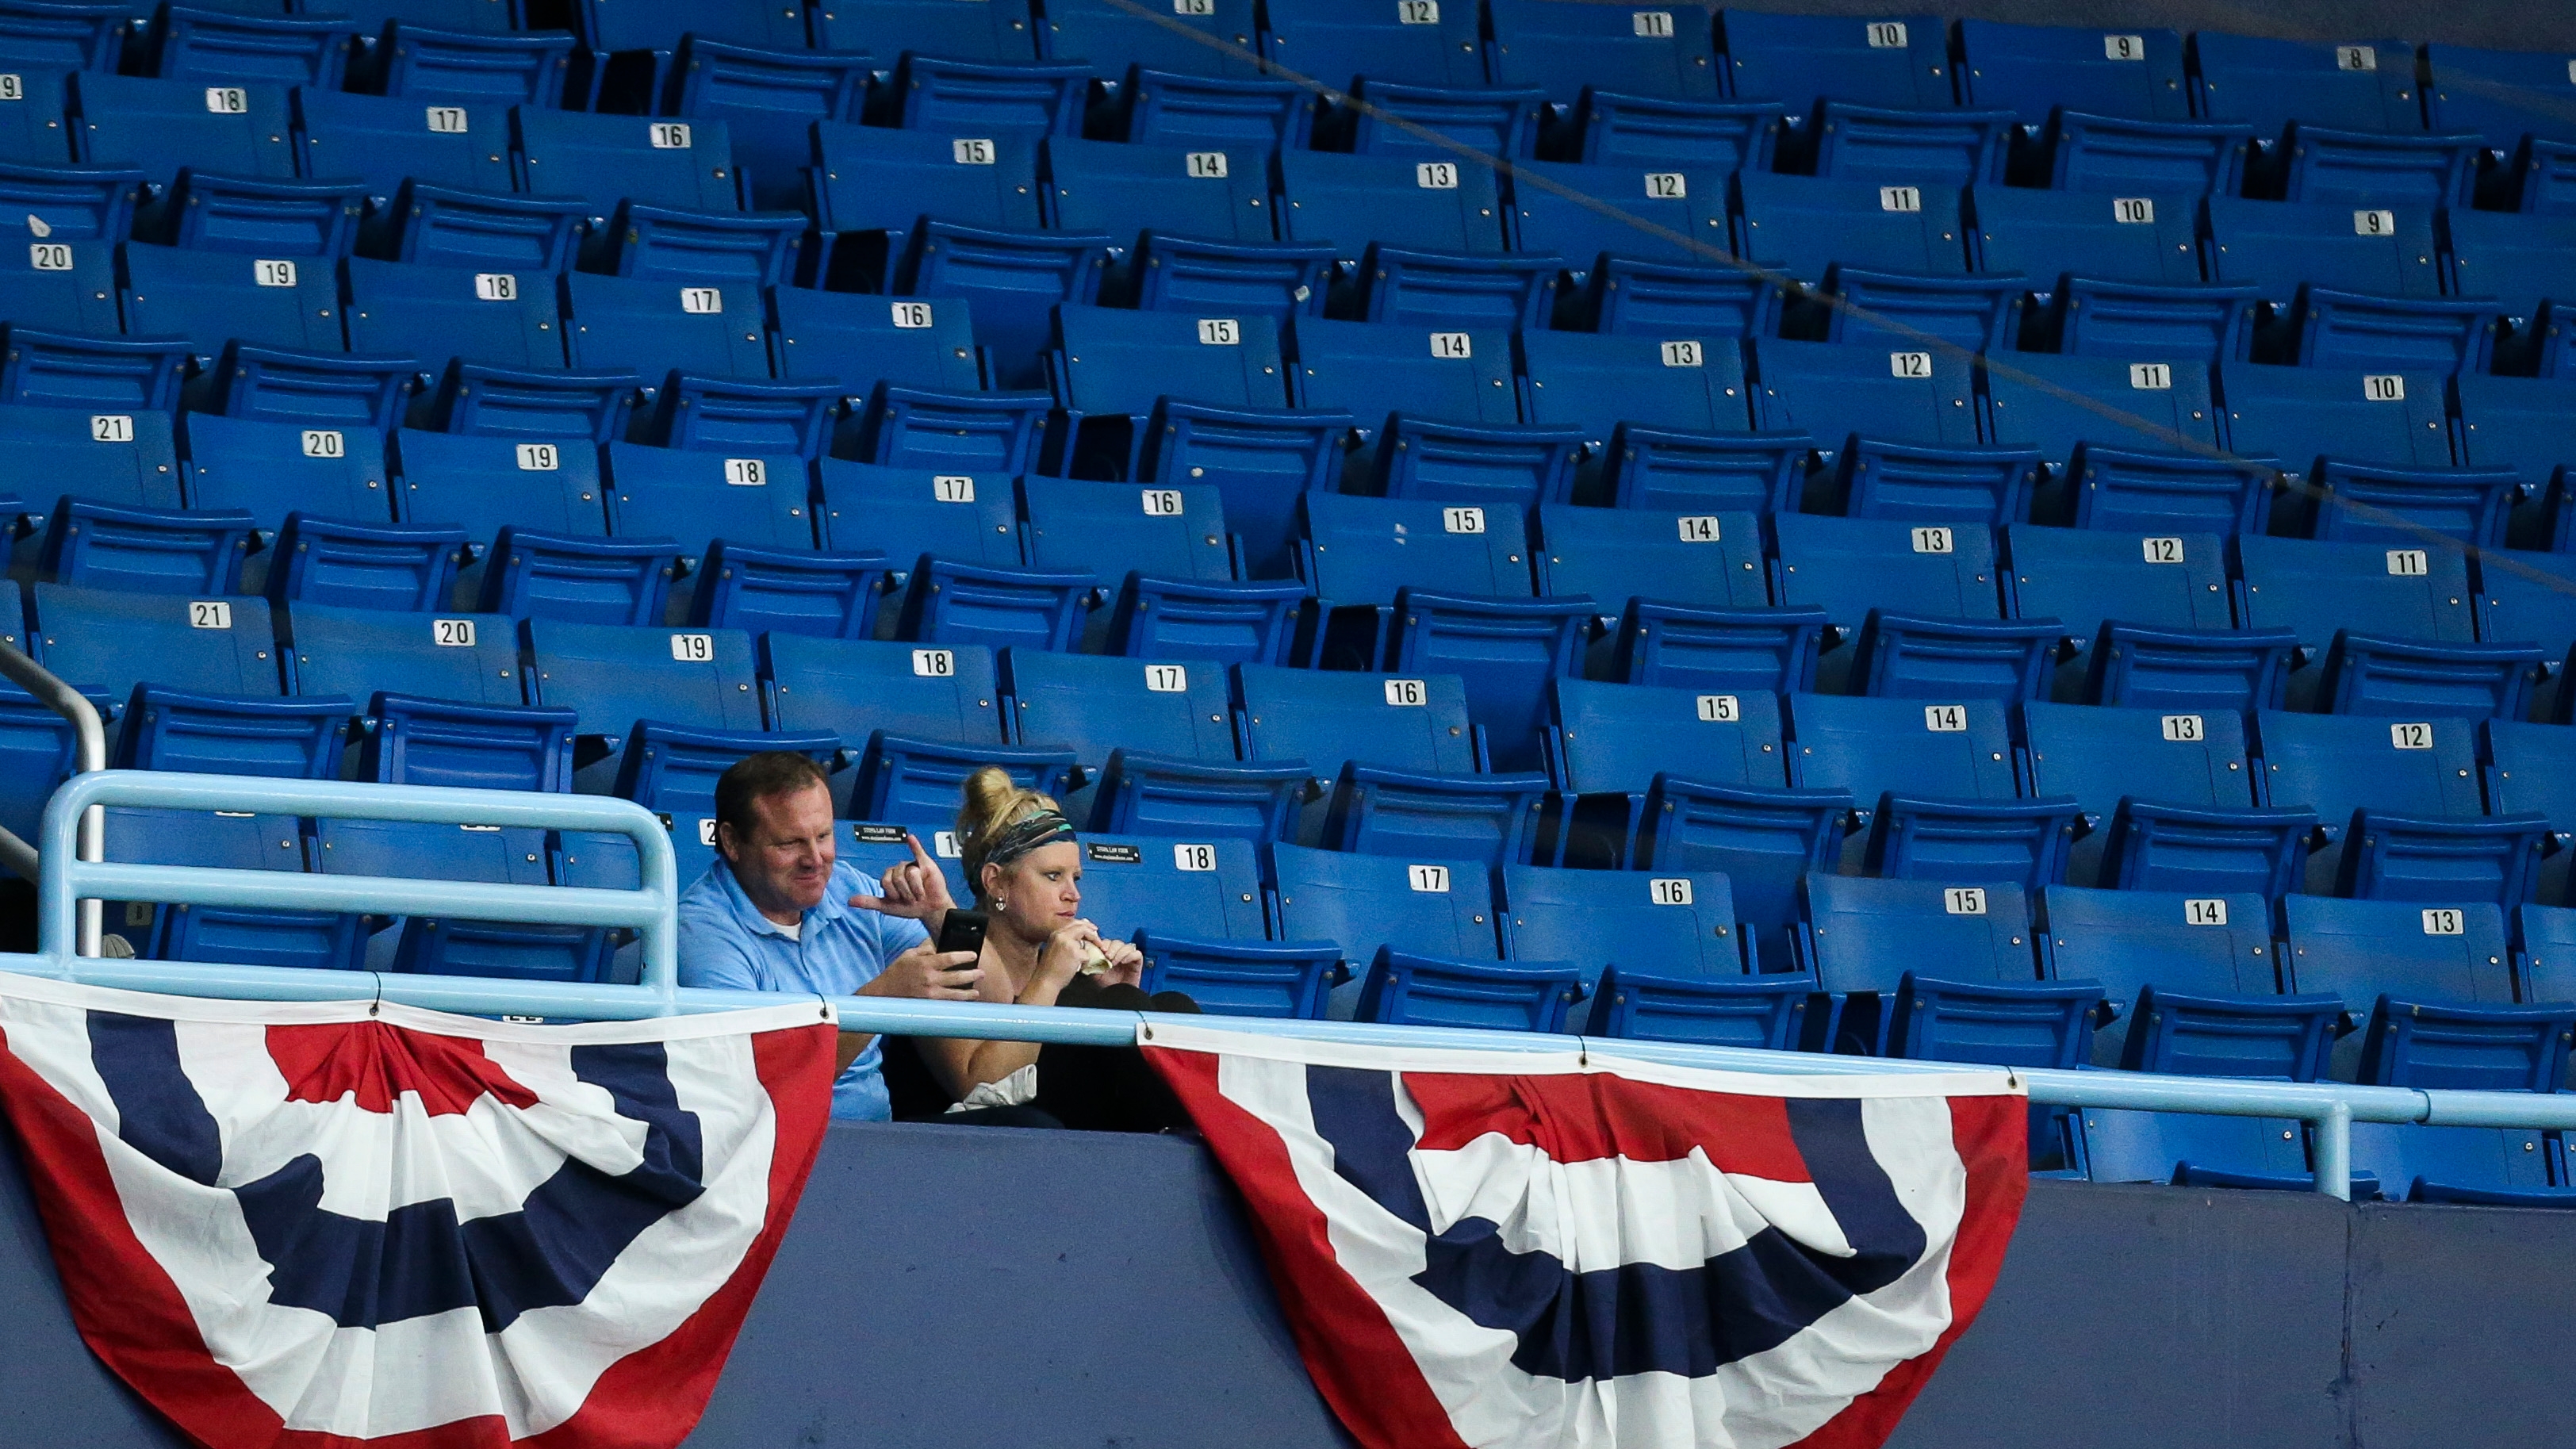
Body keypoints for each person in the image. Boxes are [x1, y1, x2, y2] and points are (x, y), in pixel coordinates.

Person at [677, 751, 988, 1123]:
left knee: (1026, 1129)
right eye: (788, 843)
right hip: (772, 1150)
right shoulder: (702, 933)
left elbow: (991, 995)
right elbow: (762, 1088)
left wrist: (941, 916)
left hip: (874, 1139)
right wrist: (878, 1000)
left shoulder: (846, 887)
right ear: (731, 842)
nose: (815, 859)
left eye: (823, 836)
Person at [895, 767, 1199, 1133]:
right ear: (996, 883)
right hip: (967, 1150)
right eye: (1053, 876)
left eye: (1076, 878)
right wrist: (1053, 981)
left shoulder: (1069, 974)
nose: (1073, 894)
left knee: (1173, 1010)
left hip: (1080, 1144)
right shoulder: (943, 960)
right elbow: (979, 1090)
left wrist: (1122, 994)